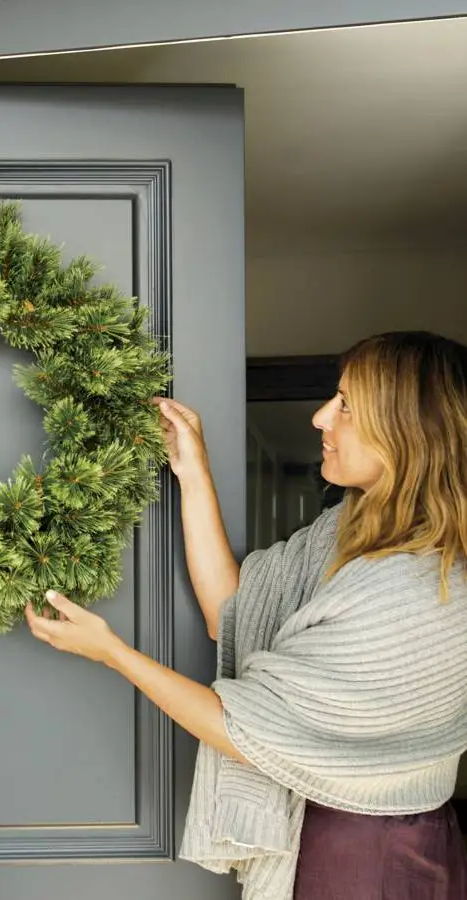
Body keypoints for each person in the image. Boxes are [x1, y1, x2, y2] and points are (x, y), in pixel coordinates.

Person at [25, 331, 467, 900]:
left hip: (373, 853)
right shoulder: (346, 532)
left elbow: (242, 728)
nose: (320, 418)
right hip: (327, 832)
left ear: (410, 433)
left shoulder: (425, 594)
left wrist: (111, 652)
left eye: (347, 405)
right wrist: (192, 471)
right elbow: (230, 611)